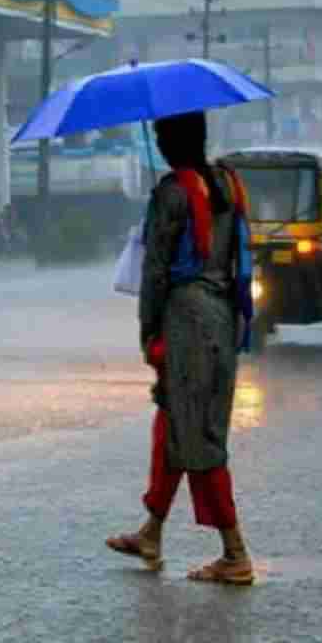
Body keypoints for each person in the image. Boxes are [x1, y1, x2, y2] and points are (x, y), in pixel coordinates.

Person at [105, 111, 257, 585]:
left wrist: (149, 331)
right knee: (174, 423)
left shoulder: (172, 193)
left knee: (199, 436)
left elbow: (155, 273)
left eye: (160, 134)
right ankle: (152, 531)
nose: (159, 141)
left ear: (173, 141)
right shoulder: (230, 185)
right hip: (223, 315)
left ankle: (235, 553)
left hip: (186, 321)